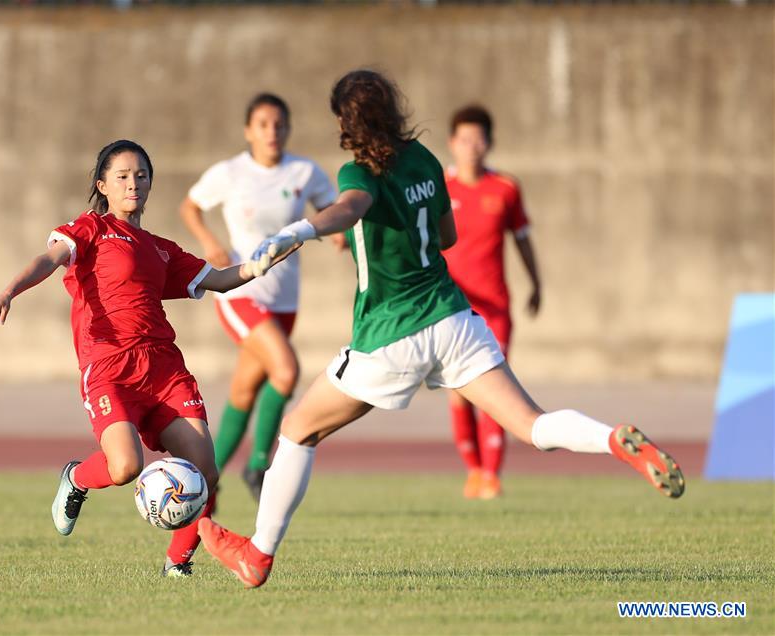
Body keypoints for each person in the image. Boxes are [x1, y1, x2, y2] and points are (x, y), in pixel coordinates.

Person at [198, 70, 685, 589]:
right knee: (532, 425)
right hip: (454, 319)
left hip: (391, 334)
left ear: (347, 122)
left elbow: (348, 209)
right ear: (394, 109)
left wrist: (297, 231)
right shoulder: (426, 161)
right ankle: (612, 438)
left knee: (298, 430)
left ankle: (259, 555)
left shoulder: (358, 173)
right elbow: (447, 236)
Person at [0, 140, 292, 579]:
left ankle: (177, 566)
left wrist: (264, 261)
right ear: (103, 185)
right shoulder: (90, 229)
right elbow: (49, 259)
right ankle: (76, 479)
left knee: (206, 473)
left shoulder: (161, 249)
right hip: (109, 367)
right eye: (123, 176)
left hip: (164, 370)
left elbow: (223, 280)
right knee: (126, 467)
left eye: (142, 175)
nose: (134, 183)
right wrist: (8, 291)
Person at [179, 93, 337, 500]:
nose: (273, 132)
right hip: (241, 294)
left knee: (245, 393)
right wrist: (210, 242)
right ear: (249, 131)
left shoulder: (304, 171)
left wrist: (341, 237)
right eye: (264, 124)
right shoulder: (231, 173)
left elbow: (332, 211)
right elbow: (190, 207)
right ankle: (259, 466)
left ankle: (203, 488)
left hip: (285, 300)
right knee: (285, 370)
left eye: (280, 124)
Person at [441, 104, 542, 500]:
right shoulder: (438, 188)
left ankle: (492, 475)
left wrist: (537, 283)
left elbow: (522, 239)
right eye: (464, 139)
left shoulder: (505, 189)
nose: (472, 146)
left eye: (478, 139)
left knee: (495, 389)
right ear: (452, 143)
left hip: (495, 309)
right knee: (458, 391)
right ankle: (473, 471)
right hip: (451, 308)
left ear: (489, 143)